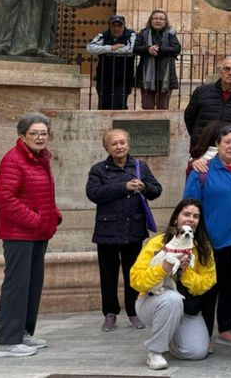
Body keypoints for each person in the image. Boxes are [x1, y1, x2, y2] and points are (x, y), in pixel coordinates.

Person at [181, 125, 231, 347]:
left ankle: (225, 328)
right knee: (210, 288)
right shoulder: (201, 172)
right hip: (212, 241)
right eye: (227, 142)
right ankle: (203, 333)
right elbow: (190, 208)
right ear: (217, 145)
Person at [0, 114, 61, 358]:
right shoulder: (14, 160)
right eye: (34, 133)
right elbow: (4, 199)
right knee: (17, 286)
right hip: (19, 234)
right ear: (22, 136)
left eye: (44, 133)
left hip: (38, 233)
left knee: (32, 285)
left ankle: (22, 332)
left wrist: (53, 215)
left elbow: (40, 193)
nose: (40, 137)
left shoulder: (40, 158)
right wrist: (35, 219)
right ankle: (8, 340)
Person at [86, 128, 163, 332]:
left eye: (122, 142)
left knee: (134, 273)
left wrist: (144, 186)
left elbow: (157, 190)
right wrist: (123, 187)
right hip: (107, 230)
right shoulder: (98, 169)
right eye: (114, 144)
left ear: (128, 144)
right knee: (108, 274)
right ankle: (110, 313)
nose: (119, 147)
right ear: (107, 148)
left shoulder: (140, 166)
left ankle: (134, 311)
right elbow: (93, 193)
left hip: (134, 230)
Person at [129, 200, 216, 370]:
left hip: (187, 307)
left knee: (197, 352)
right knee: (172, 299)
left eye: (196, 216)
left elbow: (206, 284)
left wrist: (185, 272)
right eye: (186, 214)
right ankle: (155, 352)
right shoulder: (157, 243)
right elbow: (136, 280)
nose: (191, 219)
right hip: (151, 300)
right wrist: (163, 268)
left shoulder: (203, 248)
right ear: (176, 219)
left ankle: (168, 335)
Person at [183, 56, 231, 155]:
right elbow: (189, 117)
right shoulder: (201, 92)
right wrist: (198, 137)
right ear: (221, 72)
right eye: (227, 68)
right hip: (201, 150)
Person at [133, 9, 181, 110]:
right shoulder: (143, 33)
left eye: (161, 19)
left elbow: (177, 48)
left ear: (165, 22)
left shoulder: (170, 34)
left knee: (163, 107)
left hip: (165, 76)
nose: (158, 21)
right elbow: (136, 48)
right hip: (146, 76)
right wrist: (147, 49)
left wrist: (159, 49)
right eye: (155, 18)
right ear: (151, 20)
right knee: (147, 107)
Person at [88, 14, 137, 109]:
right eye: (114, 26)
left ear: (124, 26)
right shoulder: (103, 35)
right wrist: (110, 48)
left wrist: (106, 51)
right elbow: (90, 48)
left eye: (119, 26)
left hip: (124, 78)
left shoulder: (131, 35)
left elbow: (131, 49)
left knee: (119, 105)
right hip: (104, 77)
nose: (116, 28)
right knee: (103, 105)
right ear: (110, 26)